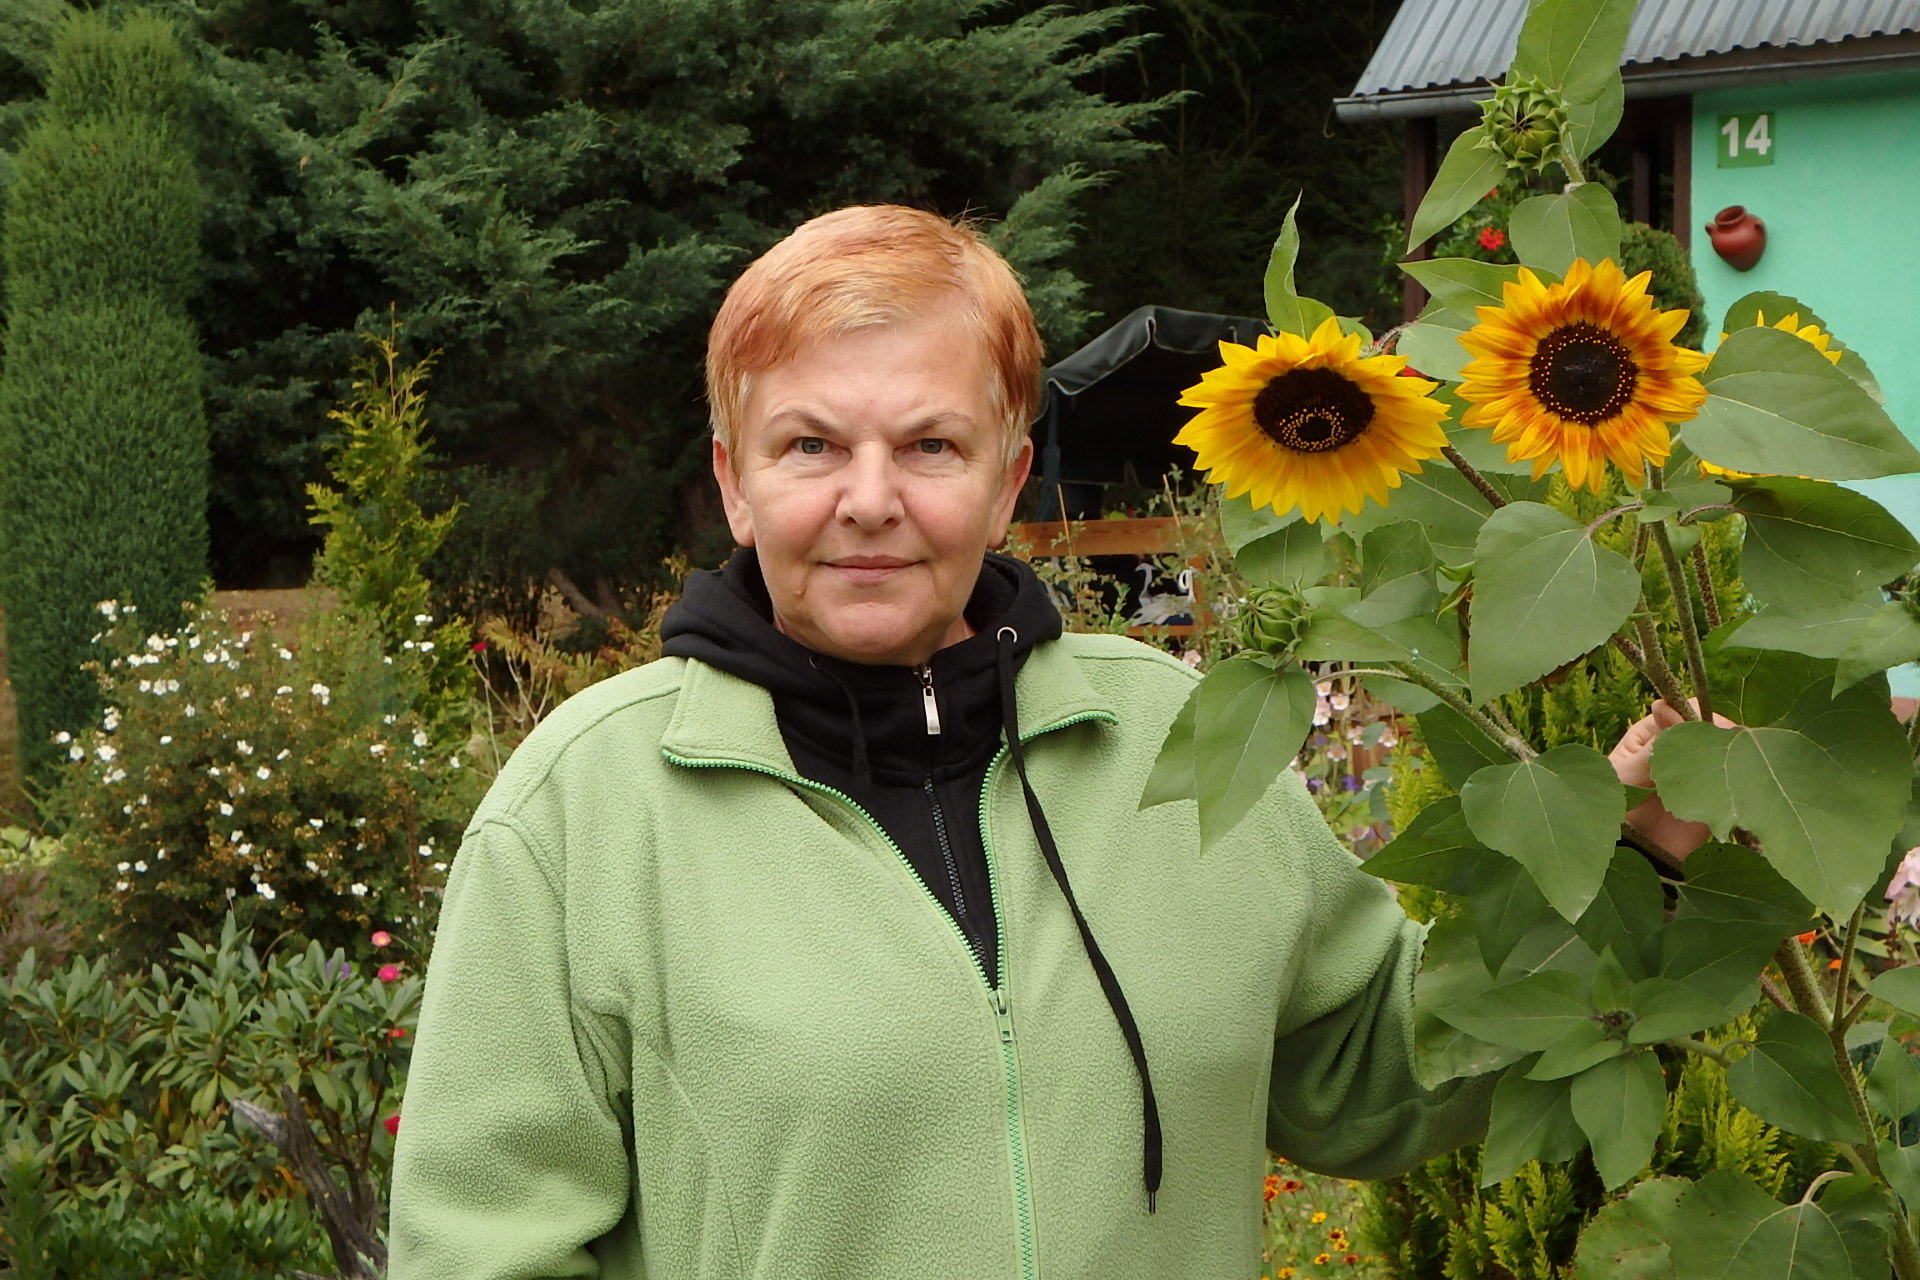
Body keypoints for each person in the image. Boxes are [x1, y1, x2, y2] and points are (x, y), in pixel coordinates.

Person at [390, 206, 1528, 1279]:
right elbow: (484, 1247)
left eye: (931, 444)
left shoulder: (1179, 743)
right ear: (735, 483)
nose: (870, 498)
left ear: (1007, 480)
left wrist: (1633, 869)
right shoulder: (585, 810)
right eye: (810, 445)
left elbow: (1377, 1065)